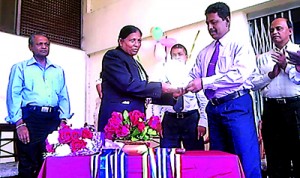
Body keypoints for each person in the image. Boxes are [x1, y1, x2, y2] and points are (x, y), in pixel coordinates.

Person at [185, 2, 262, 177]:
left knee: (246, 156)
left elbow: (238, 75)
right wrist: (178, 88)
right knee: (219, 158)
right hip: (213, 108)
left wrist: (204, 82)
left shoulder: (240, 45)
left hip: (236, 104)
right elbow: (193, 75)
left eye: (214, 22)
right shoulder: (204, 52)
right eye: (207, 24)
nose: (210, 27)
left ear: (227, 20)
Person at [5, 32, 71, 178]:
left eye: (46, 44)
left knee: (52, 160)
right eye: (39, 44)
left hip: (53, 119)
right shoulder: (20, 68)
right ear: (31, 47)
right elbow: (13, 96)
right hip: (31, 119)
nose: (44, 47)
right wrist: (19, 124)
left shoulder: (58, 70)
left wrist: (63, 120)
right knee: (29, 163)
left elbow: (63, 95)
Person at [98, 25, 180, 133]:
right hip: (117, 119)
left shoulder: (135, 62)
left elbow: (141, 92)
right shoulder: (113, 56)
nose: (136, 44)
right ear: (121, 41)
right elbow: (128, 85)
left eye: (139, 41)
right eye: (132, 40)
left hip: (133, 120)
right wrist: (160, 87)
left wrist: (171, 95)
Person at [251, 17, 300, 177]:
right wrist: (270, 75)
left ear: (290, 31)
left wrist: (286, 66)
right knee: (276, 158)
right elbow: (253, 84)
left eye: (279, 28)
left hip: (295, 108)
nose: (274, 32)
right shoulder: (263, 58)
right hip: (272, 110)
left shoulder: (298, 53)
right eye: (272, 30)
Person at [152, 44, 208, 150]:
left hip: (191, 119)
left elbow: (203, 100)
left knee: (195, 155)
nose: (177, 57)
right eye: (174, 55)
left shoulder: (194, 73)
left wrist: (203, 123)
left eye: (180, 54)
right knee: (168, 155)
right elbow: (157, 100)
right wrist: (157, 121)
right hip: (170, 119)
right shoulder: (163, 74)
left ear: (186, 56)